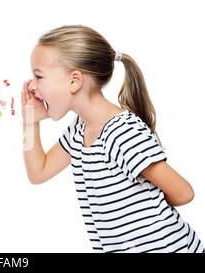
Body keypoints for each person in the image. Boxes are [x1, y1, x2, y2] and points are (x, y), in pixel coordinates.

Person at [22, 25, 203, 253]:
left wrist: (142, 214)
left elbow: (184, 192)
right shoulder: (79, 130)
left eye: (38, 77)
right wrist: (30, 121)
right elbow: (38, 172)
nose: (31, 86)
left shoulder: (122, 132)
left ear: (74, 81)